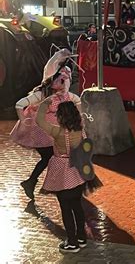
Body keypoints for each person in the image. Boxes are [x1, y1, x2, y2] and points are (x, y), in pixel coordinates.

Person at [10, 50, 81, 201]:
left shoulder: (60, 95)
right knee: (50, 156)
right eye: (62, 80)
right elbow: (20, 104)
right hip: (39, 132)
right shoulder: (41, 95)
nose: (65, 83)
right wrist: (23, 119)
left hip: (50, 132)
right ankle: (36, 182)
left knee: (55, 156)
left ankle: (38, 182)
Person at [36, 97, 100, 253]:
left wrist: (45, 104)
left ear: (61, 116)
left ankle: (72, 242)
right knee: (77, 206)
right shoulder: (80, 129)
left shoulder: (57, 131)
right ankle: (81, 237)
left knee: (65, 208)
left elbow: (39, 120)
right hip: (78, 172)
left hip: (62, 172)